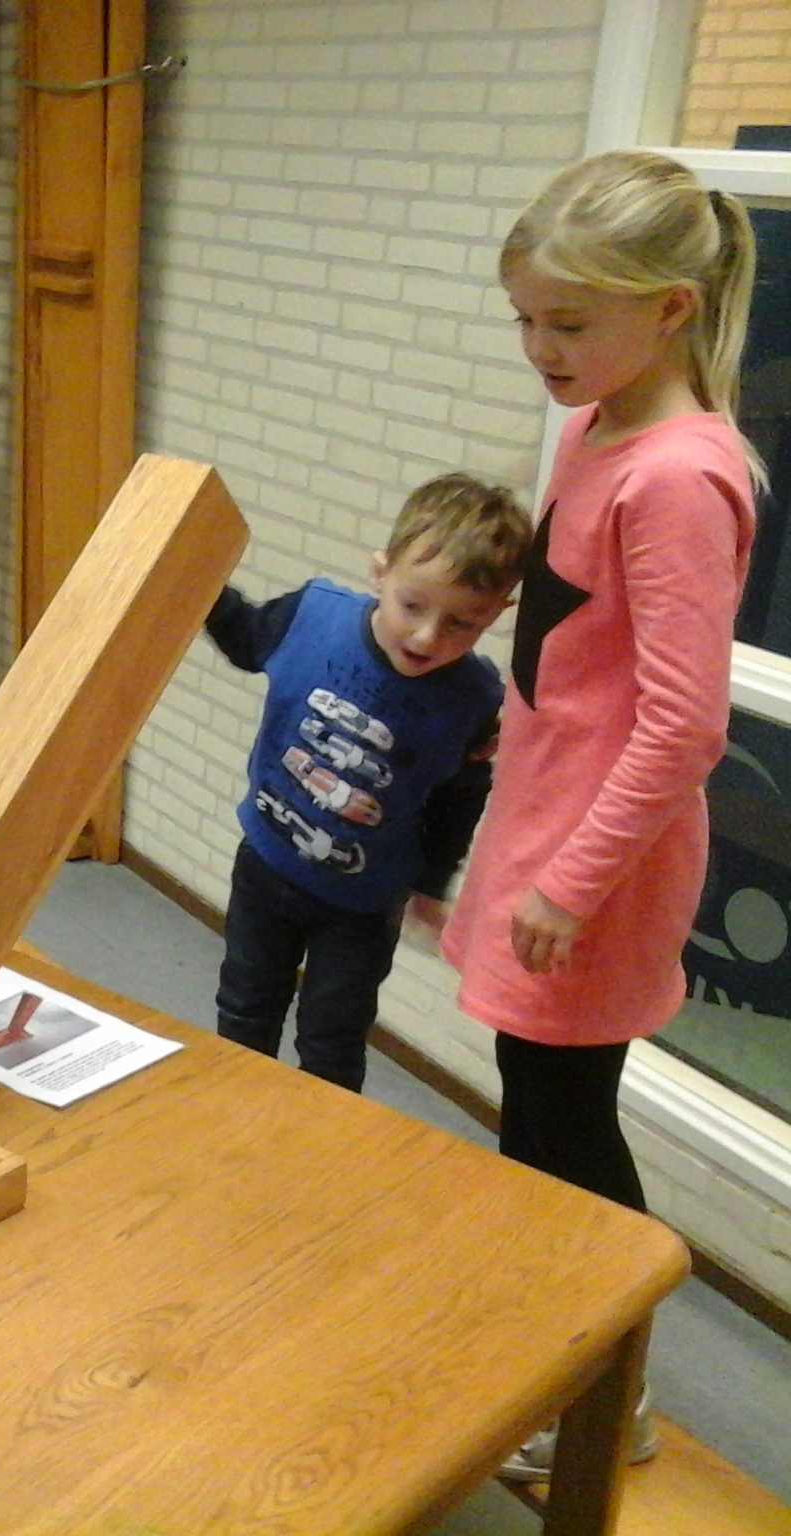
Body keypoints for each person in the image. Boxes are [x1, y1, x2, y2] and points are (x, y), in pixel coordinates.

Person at [441, 150, 760, 1479]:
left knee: (563, 1125)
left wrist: (569, 883)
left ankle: (606, 1389)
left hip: (596, 864)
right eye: (525, 318)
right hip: (544, 822)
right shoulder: (596, 429)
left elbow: (682, 726)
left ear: (671, 308)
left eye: (568, 323)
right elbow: (582, 652)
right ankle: (551, 1343)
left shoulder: (677, 476)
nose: (540, 349)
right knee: (532, 1110)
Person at [206, 473, 531, 1092]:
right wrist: (194, 579)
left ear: (497, 614)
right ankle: (235, 1123)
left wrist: (431, 884)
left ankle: (321, 1141)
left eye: (463, 624)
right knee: (245, 1009)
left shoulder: (474, 698)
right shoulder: (313, 616)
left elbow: (458, 796)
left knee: (333, 1038)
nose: (428, 637)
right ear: (381, 572)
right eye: (413, 606)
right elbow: (246, 638)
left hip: (361, 906)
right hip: (268, 867)